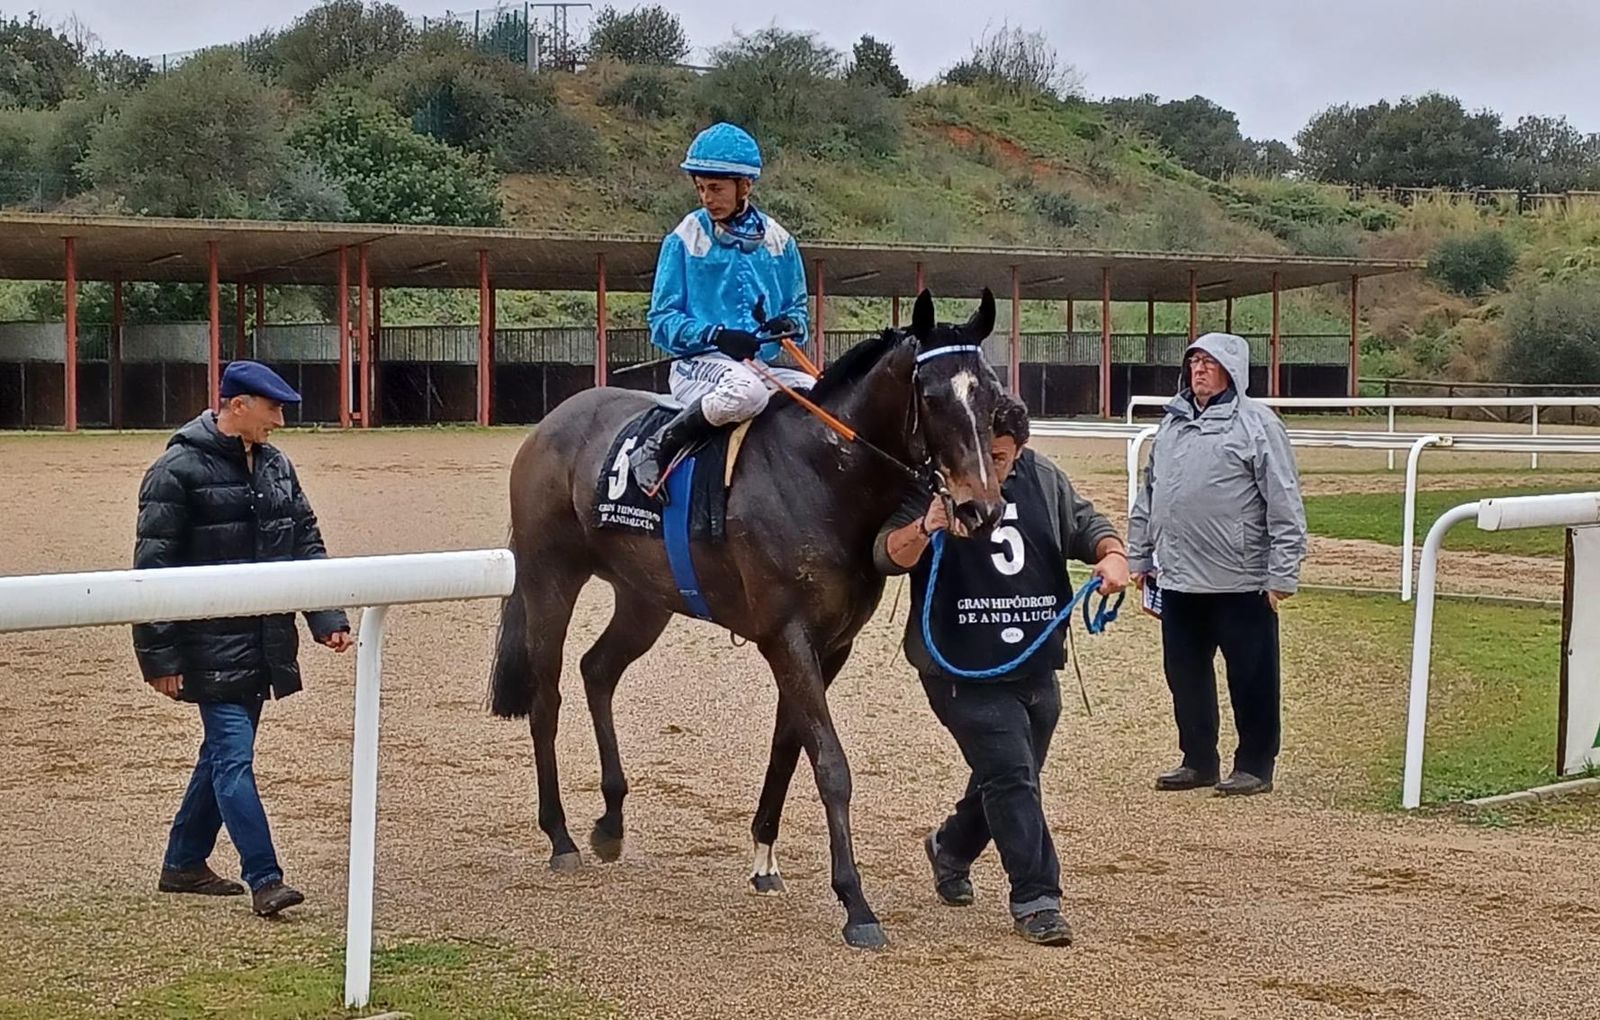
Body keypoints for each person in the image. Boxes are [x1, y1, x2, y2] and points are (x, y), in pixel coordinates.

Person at [874, 393, 1129, 946]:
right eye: (978, 454)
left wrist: (1111, 553)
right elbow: (886, 555)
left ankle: (951, 847)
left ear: (1020, 449)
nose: (987, 469)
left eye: (1001, 456)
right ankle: (1037, 897)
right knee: (1013, 775)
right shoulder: (927, 482)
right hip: (958, 666)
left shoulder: (1042, 477)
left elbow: (1085, 523)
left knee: (1009, 776)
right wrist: (927, 526)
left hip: (1034, 659)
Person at [133, 361, 352, 916]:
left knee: (220, 757)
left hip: (263, 641)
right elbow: (150, 571)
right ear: (237, 406)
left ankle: (183, 862)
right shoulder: (174, 471)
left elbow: (305, 543)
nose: (280, 419)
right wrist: (158, 656)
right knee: (233, 760)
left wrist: (327, 618)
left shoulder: (277, 466)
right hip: (207, 647)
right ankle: (265, 878)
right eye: (273, 408)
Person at [1126, 332, 1308, 797]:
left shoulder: (1258, 425)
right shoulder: (1171, 425)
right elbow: (1151, 494)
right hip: (1180, 577)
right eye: (1194, 362)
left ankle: (1254, 765)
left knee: (1251, 676)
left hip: (1242, 579)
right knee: (1184, 675)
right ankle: (1198, 759)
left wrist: (1282, 572)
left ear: (1233, 369)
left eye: (1210, 362)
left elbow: (1283, 500)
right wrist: (1141, 557)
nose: (1200, 370)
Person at [630, 121, 815, 492]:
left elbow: (799, 314)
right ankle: (658, 445)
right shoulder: (684, 238)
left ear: (744, 185)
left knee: (815, 393)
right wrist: (715, 334)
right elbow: (662, 321)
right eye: (700, 188)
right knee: (747, 393)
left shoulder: (779, 242)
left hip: (755, 365)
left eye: (715, 188)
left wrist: (787, 325)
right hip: (697, 366)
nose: (706, 198)